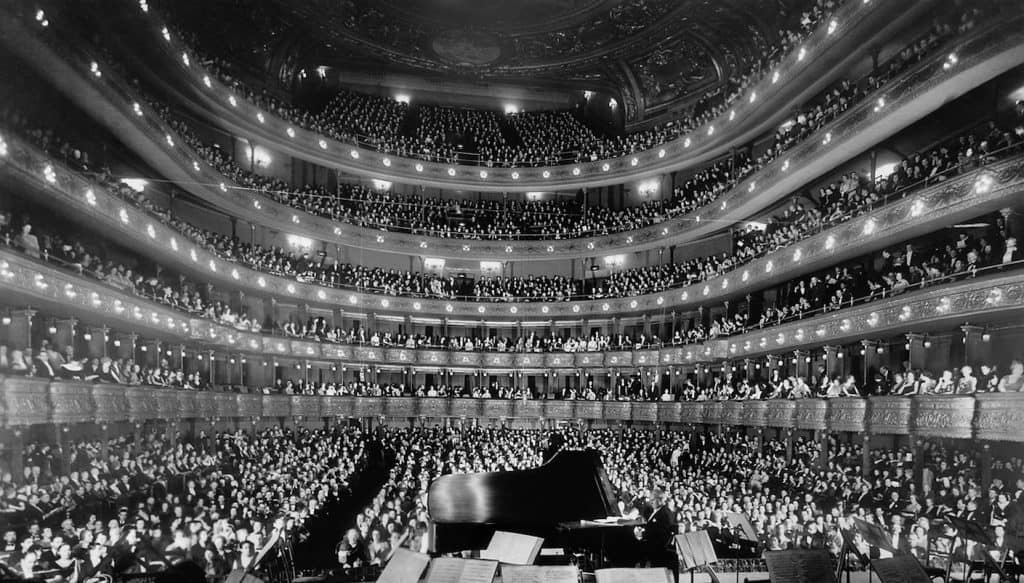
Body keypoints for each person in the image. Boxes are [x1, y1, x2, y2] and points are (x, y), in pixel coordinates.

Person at [633, 486, 678, 575]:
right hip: (655, 544)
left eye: (653, 499)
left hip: (658, 548)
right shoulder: (657, 511)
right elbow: (654, 528)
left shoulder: (664, 513)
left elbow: (660, 533)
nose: (650, 501)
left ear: (660, 499)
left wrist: (642, 534)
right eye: (650, 499)